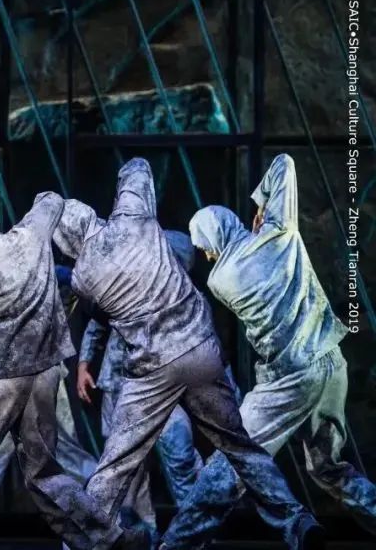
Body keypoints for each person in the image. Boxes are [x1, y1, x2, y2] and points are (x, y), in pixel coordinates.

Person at [56, 158, 323, 550]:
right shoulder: (136, 219)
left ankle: (82, 542)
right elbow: (138, 167)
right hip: (198, 350)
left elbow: (95, 307)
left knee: (115, 466)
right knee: (241, 449)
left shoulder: (84, 276)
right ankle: (295, 521)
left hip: (153, 369)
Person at [0, 193, 144, 550]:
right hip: (44, 373)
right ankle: (108, 539)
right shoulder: (31, 235)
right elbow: (50, 199)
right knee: (45, 474)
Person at [161, 154, 376, 548]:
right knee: (328, 468)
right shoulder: (281, 233)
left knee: (230, 463)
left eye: (205, 246)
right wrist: (263, 206)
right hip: (332, 363)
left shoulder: (222, 279)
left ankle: (174, 545)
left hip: (292, 378)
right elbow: (285, 163)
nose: (207, 256)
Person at [73, 230, 208, 535]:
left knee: (181, 459)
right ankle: (141, 534)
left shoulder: (188, 300)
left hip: (163, 391)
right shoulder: (126, 285)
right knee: (126, 469)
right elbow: (98, 321)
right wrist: (84, 365)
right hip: (120, 384)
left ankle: (194, 533)